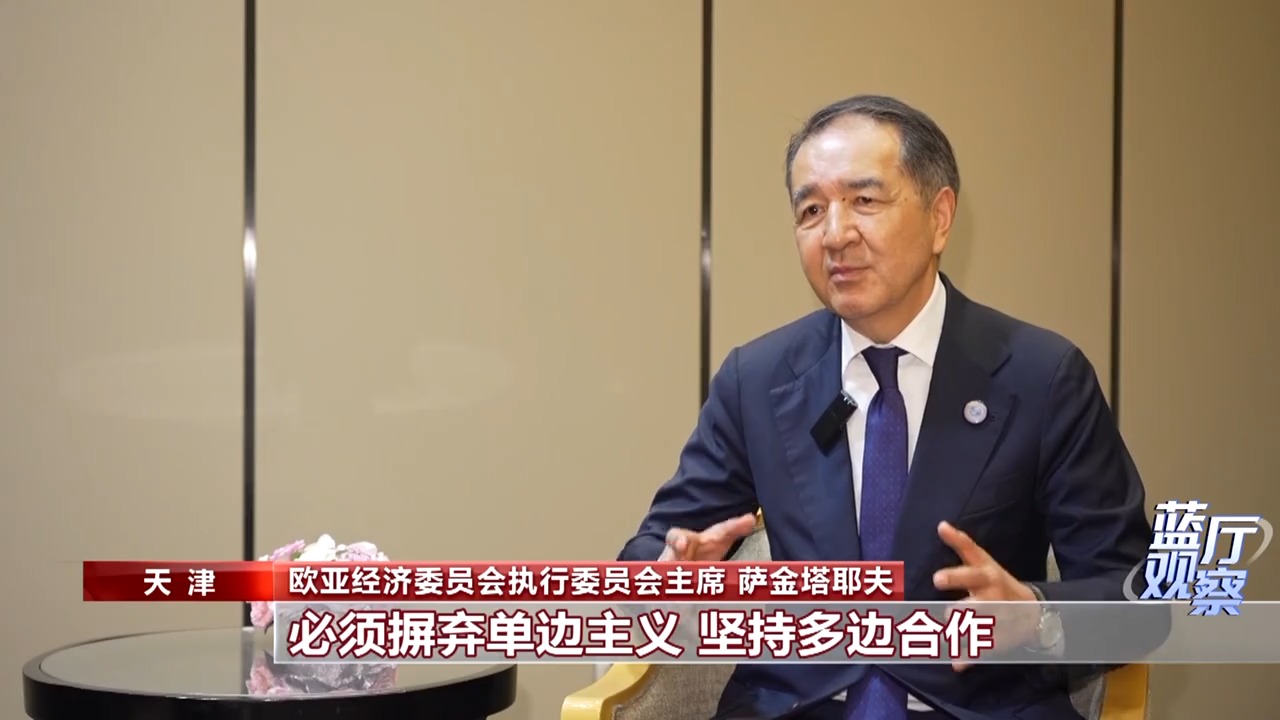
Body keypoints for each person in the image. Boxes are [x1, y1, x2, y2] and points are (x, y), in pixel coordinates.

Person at [618, 95, 1156, 720]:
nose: (835, 234)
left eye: (865, 201)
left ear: (940, 217)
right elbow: (654, 548)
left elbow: (1137, 597)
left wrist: (1037, 617)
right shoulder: (757, 380)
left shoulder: (1041, 376)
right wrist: (665, 578)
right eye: (811, 210)